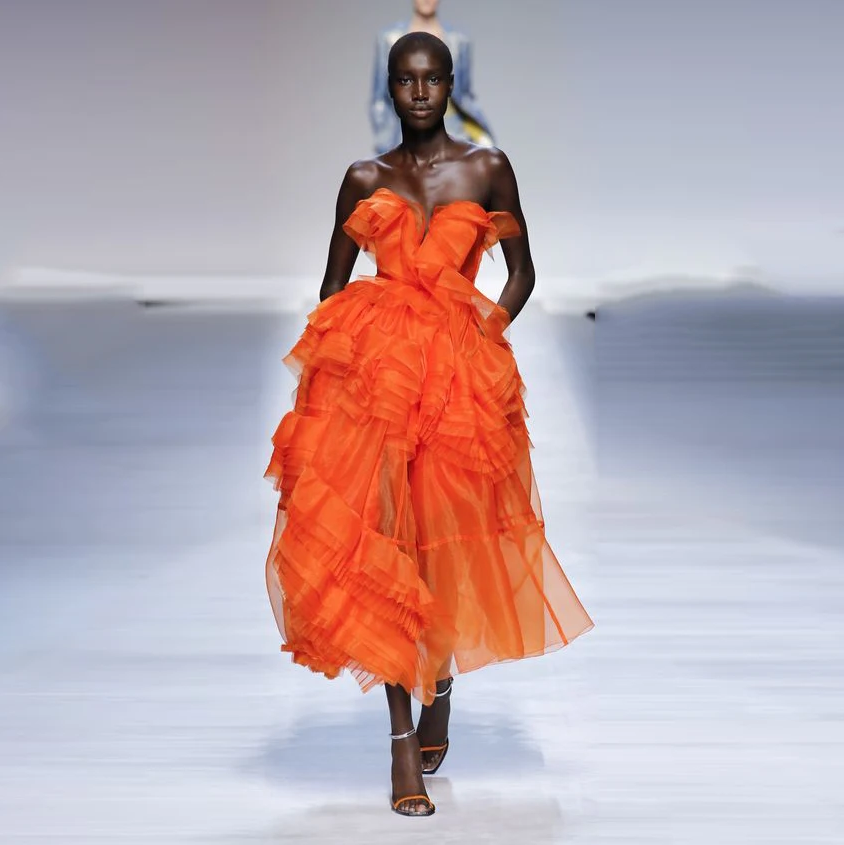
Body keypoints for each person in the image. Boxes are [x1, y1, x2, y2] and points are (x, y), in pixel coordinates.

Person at [265, 32, 593, 817]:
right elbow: (332, 285)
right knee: (385, 545)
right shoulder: (364, 177)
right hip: (380, 385)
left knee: (444, 539)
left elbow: (522, 270)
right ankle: (401, 744)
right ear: (389, 87)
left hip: (458, 385)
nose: (419, 93)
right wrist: (341, 371)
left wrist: (486, 331)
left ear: (449, 84)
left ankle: (439, 684)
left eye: (432, 79)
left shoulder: (487, 168)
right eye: (405, 80)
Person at [370, 0, 494, 154]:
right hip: (403, 130)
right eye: (406, 80)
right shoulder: (389, 38)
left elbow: (465, 94)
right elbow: (379, 98)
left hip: (454, 128)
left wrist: (480, 134)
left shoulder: (459, 40)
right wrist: (385, 140)